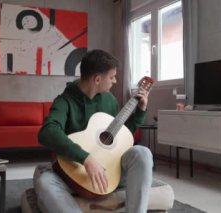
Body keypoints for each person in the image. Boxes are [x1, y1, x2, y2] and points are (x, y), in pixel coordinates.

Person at [35, 49, 153, 213]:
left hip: (108, 173)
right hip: (75, 175)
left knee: (143, 153)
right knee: (44, 183)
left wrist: (140, 111)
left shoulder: (110, 100)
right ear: (97, 79)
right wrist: (87, 159)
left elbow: (120, 136)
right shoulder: (64, 101)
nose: (115, 81)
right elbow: (47, 132)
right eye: (112, 77)